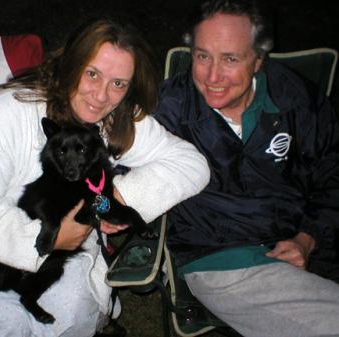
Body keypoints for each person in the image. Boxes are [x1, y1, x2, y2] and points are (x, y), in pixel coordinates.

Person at [0, 16, 210, 337]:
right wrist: (44, 241)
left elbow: (190, 165)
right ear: (71, 64)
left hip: (70, 240)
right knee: (3, 323)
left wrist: (115, 199)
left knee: (70, 312)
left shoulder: (115, 118)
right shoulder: (8, 113)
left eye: (118, 83)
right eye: (92, 74)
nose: (101, 95)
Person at [153, 0, 339, 336]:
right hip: (223, 258)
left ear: (259, 58)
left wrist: (309, 237)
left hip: (305, 238)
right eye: (202, 55)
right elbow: (117, 170)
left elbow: (333, 174)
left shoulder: (297, 100)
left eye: (230, 58)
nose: (212, 76)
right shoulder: (168, 112)